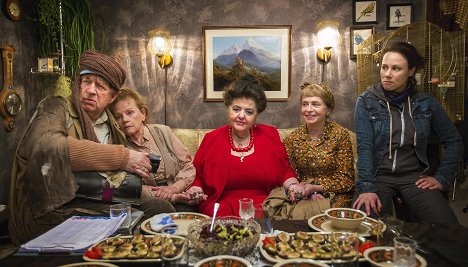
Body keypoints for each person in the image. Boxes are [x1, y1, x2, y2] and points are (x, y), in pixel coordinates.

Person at [8, 50, 163, 245]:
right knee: (132, 224)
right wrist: (123, 157)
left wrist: (157, 190)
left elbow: (112, 181)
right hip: (48, 209)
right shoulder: (55, 107)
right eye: (86, 81)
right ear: (78, 83)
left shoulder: (113, 127)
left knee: (159, 207)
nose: (91, 90)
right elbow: (47, 147)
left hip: (93, 199)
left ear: (112, 96)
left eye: (100, 86)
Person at [352, 42, 463, 224]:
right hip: (378, 176)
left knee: (448, 227)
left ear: (411, 71)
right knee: (360, 227)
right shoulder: (366, 101)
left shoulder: (426, 102)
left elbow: (453, 140)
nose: (387, 74)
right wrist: (366, 188)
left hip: (414, 177)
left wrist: (442, 178)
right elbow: (365, 147)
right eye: (384, 67)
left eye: (396, 68)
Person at [183, 75, 302, 217]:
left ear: (257, 115)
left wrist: (294, 186)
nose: (241, 115)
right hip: (221, 207)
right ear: (228, 110)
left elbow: (285, 172)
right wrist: (196, 189)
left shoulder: (270, 135)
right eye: (236, 109)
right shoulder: (211, 139)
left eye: (249, 112)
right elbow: (197, 175)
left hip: (265, 207)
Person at [264, 82, 355, 219]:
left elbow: (346, 180)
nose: (308, 109)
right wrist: (301, 190)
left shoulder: (340, 135)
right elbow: (289, 173)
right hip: (302, 193)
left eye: (315, 104)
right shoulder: (293, 138)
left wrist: (316, 188)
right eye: (305, 104)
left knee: (326, 216)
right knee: (278, 209)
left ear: (328, 109)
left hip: (335, 195)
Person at [110, 88, 196, 211]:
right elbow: (125, 185)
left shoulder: (164, 132)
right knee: (162, 208)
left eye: (129, 113)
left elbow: (188, 166)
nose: (125, 120)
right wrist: (173, 197)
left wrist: (174, 188)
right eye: (118, 117)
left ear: (143, 114)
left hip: (180, 193)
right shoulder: (117, 146)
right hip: (149, 201)